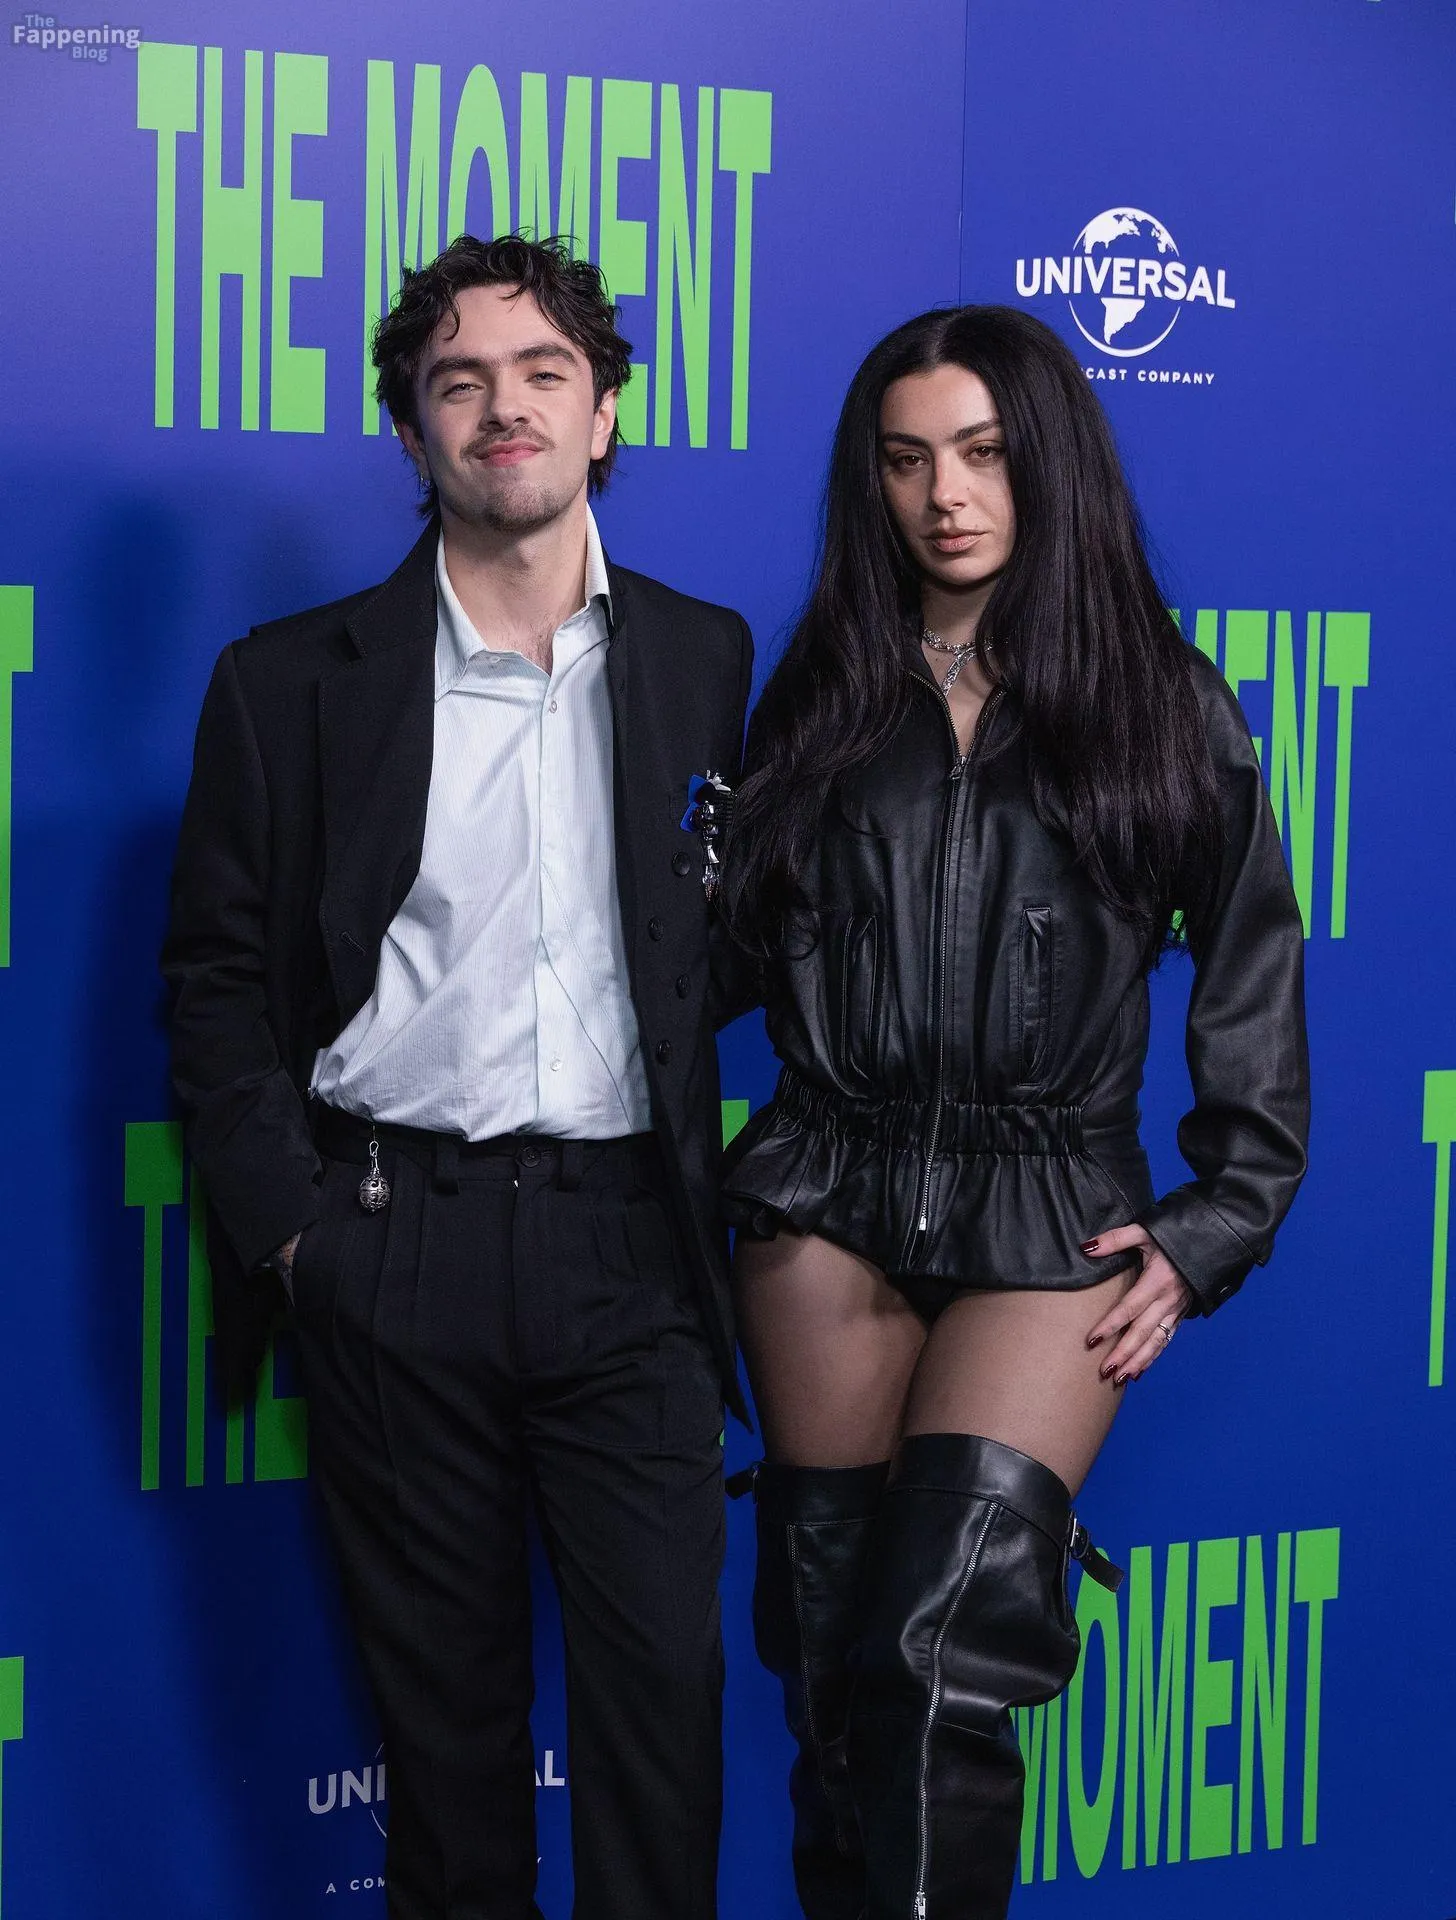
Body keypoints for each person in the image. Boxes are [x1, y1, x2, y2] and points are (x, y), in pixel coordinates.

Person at [161, 233, 753, 1920]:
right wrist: (301, 1240)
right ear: (410, 428)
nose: (507, 407)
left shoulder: (706, 659)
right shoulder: (289, 683)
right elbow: (212, 984)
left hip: (633, 1258)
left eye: (546, 371)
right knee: (448, 1767)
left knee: (664, 1739)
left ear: (606, 410)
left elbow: (735, 945)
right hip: (388, 1245)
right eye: (461, 380)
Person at [713, 305, 1308, 1920]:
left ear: (1047, 462)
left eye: (982, 453)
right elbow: (728, 959)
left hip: (1050, 1211)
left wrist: (1216, 1222)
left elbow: (1254, 966)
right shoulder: (822, 693)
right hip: (826, 1196)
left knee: (935, 1664)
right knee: (835, 1679)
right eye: (907, 461)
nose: (947, 496)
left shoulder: (1162, 701)